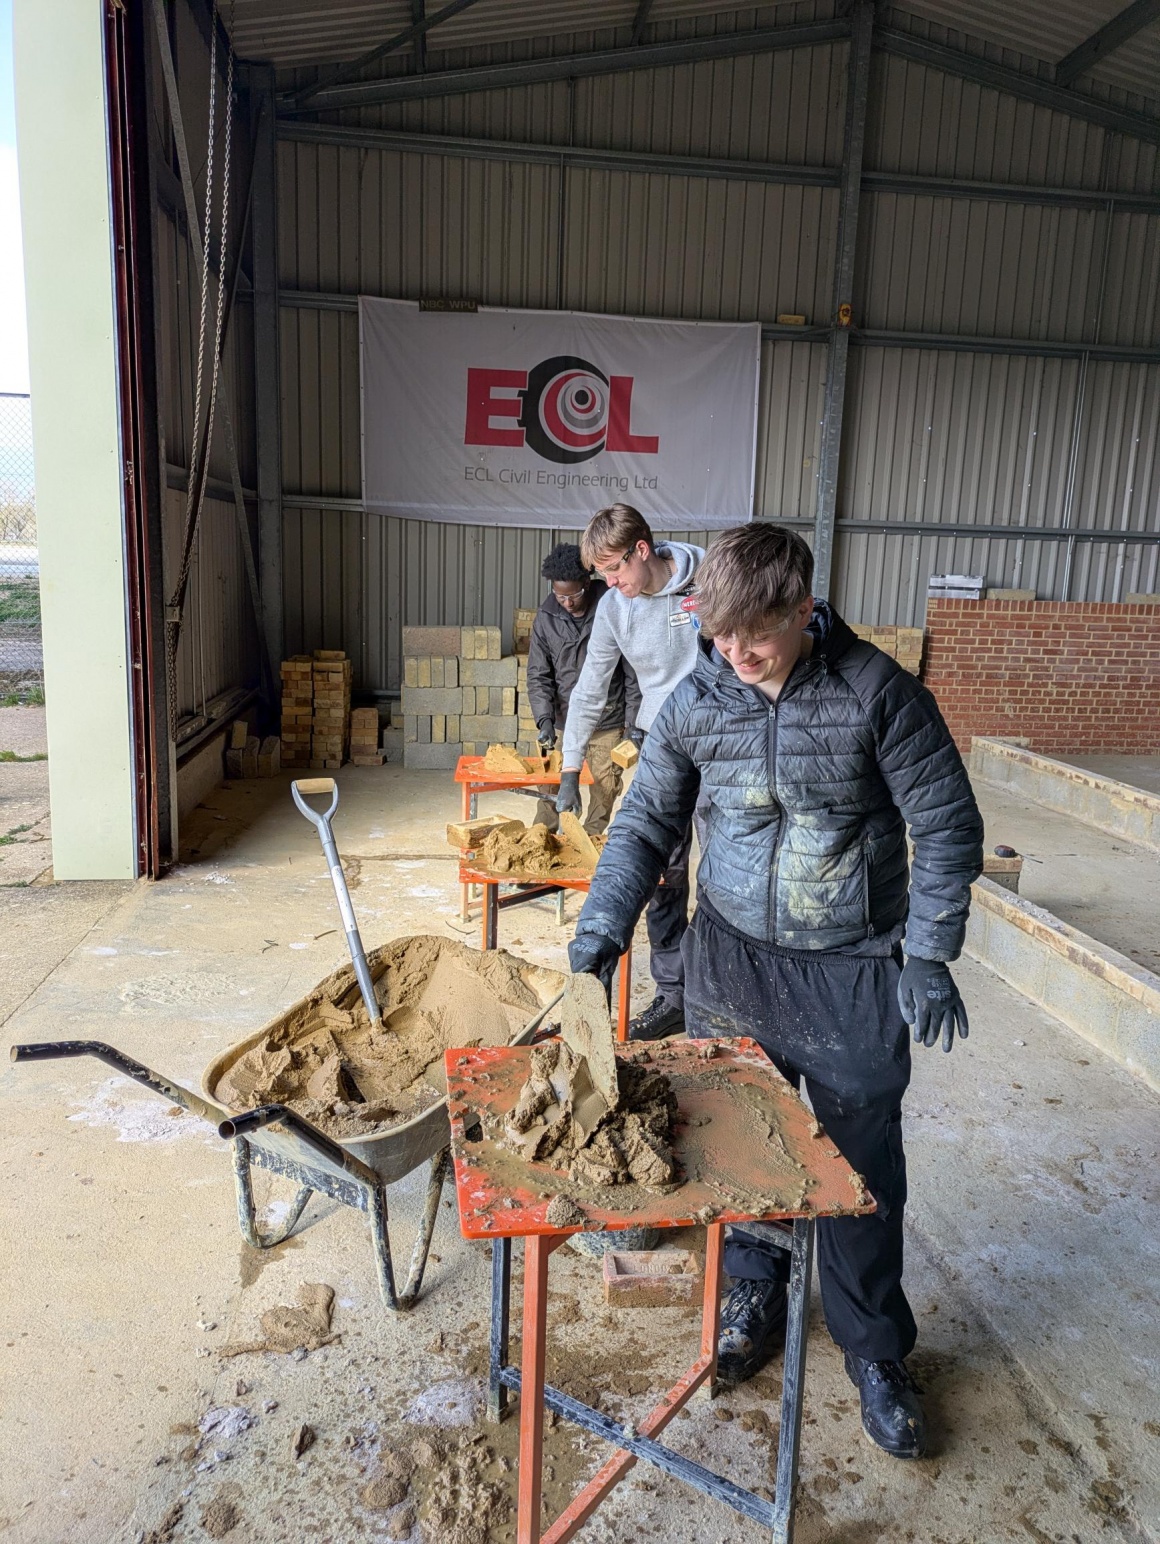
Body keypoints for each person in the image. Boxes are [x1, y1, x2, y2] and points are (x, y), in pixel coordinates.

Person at [567, 523, 984, 1459]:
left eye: (753, 636)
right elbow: (642, 824)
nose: (734, 655)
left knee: (861, 1172)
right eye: (717, 637)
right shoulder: (700, 698)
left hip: (852, 972)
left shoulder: (879, 694)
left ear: (804, 609)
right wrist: (601, 932)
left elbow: (949, 826)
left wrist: (928, 952)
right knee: (740, 1148)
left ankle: (875, 1348)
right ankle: (751, 1289)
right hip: (733, 966)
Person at [555, 505, 704, 1041]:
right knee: (662, 871)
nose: (611, 584)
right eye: (603, 576)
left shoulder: (708, 578)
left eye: (615, 570)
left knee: (724, 873)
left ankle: (721, 991)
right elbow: (590, 687)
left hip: (721, 741)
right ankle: (673, 994)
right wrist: (571, 767)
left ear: (642, 548)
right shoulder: (617, 608)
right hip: (658, 744)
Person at [525, 542, 638, 836]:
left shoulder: (612, 606)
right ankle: (542, 838)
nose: (567, 602)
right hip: (564, 720)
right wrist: (545, 721)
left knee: (605, 785)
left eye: (573, 594)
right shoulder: (546, 617)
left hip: (609, 719)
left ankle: (587, 842)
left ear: (587, 582)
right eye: (560, 595)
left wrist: (632, 723)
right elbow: (539, 675)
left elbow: (633, 673)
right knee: (552, 783)